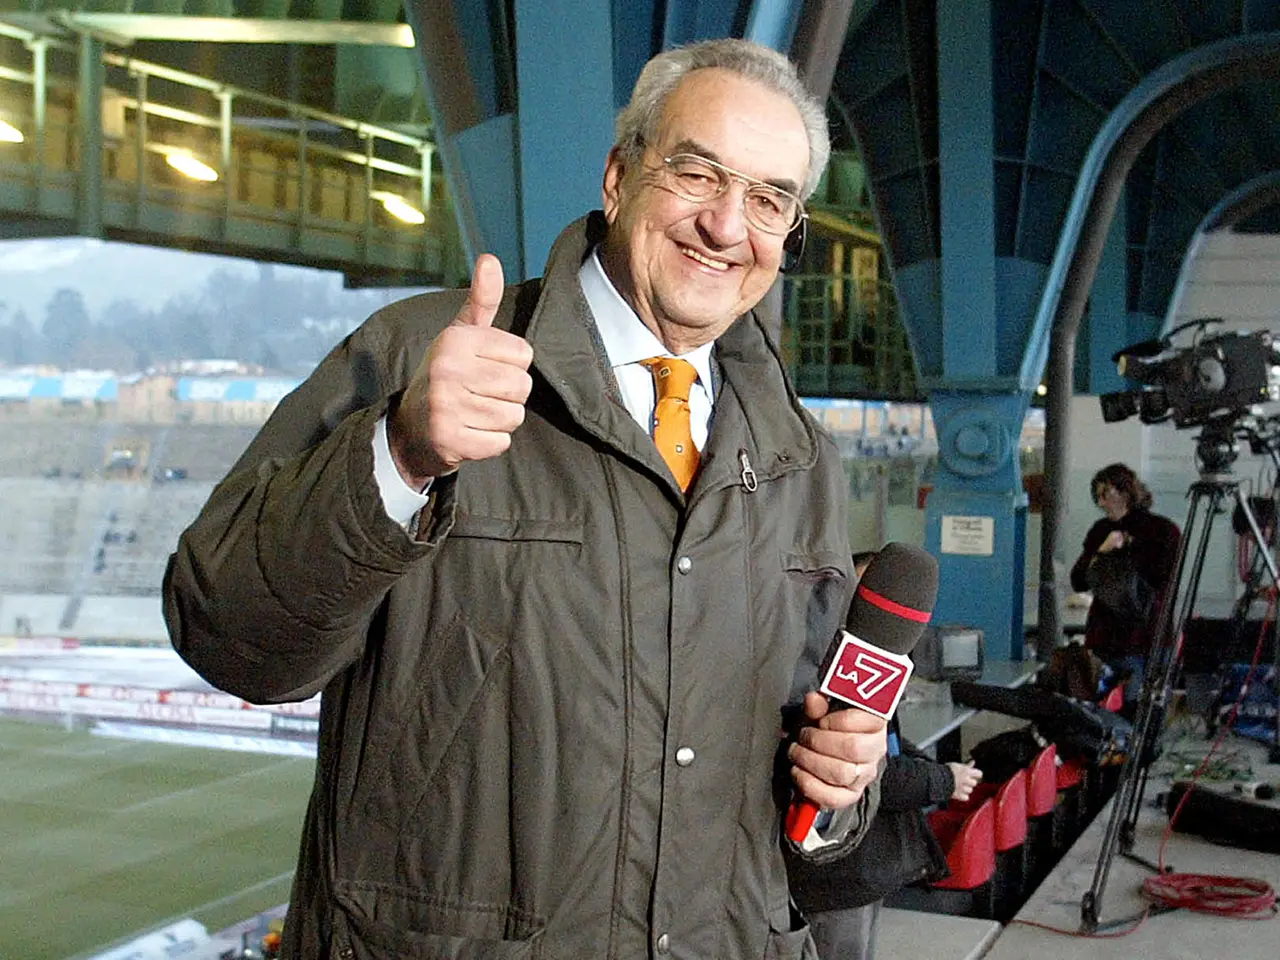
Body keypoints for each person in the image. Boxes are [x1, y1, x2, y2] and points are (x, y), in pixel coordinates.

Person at [164, 39, 889, 959]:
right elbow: (230, 637)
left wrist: (838, 791)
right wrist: (397, 454)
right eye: (699, 173)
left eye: (769, 199)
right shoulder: (419, 356)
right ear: (620, 176)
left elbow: (803, 775)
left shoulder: (800, 456)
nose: (726, 225)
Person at [786, 552, 983, 960]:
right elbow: (879, 774)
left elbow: (885, 750)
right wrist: (943, 779)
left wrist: (934, 770)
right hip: (832, 880)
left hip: (869, 868)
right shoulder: (808, 678)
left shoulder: (871, 680)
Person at [1069, 463, 1181, 713]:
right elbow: (1078, 580)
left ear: (1124, 492)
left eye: (1105, 494)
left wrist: (1121, 552)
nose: (1101, 503)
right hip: (1116, 637)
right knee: (1119, 709)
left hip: (1141, 635)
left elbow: (1159, 580)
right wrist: (1103, 550)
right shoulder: (1102, 531)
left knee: (1133, 708)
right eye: (1097, 496)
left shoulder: (1162, 532)